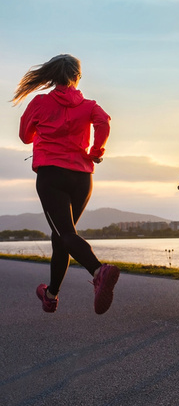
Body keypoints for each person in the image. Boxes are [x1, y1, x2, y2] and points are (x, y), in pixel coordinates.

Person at [13, 54, 120, 314]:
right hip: (83, 178)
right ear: (77, 77)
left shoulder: (40, 103)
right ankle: (50, 295)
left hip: (52, 176)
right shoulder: (89, 104)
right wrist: (96, 150)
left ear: (52, 76)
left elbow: (25, 136)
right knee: (61, 237)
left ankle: (98, 271)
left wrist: (44, 128)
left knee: (65, 235)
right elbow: (104, 121)